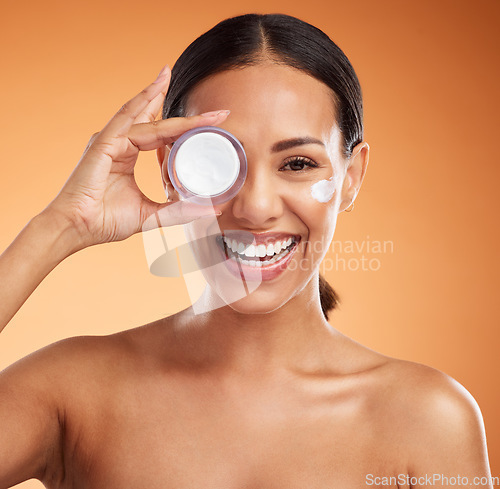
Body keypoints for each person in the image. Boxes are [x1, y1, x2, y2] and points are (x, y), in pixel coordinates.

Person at [0, 13, 493, 489]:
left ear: (352, 177)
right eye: (218, 161)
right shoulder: (73, 392)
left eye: (298, 163)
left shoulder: (428, 418)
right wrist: (61, 227)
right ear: (172, 168)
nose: (255, 208)